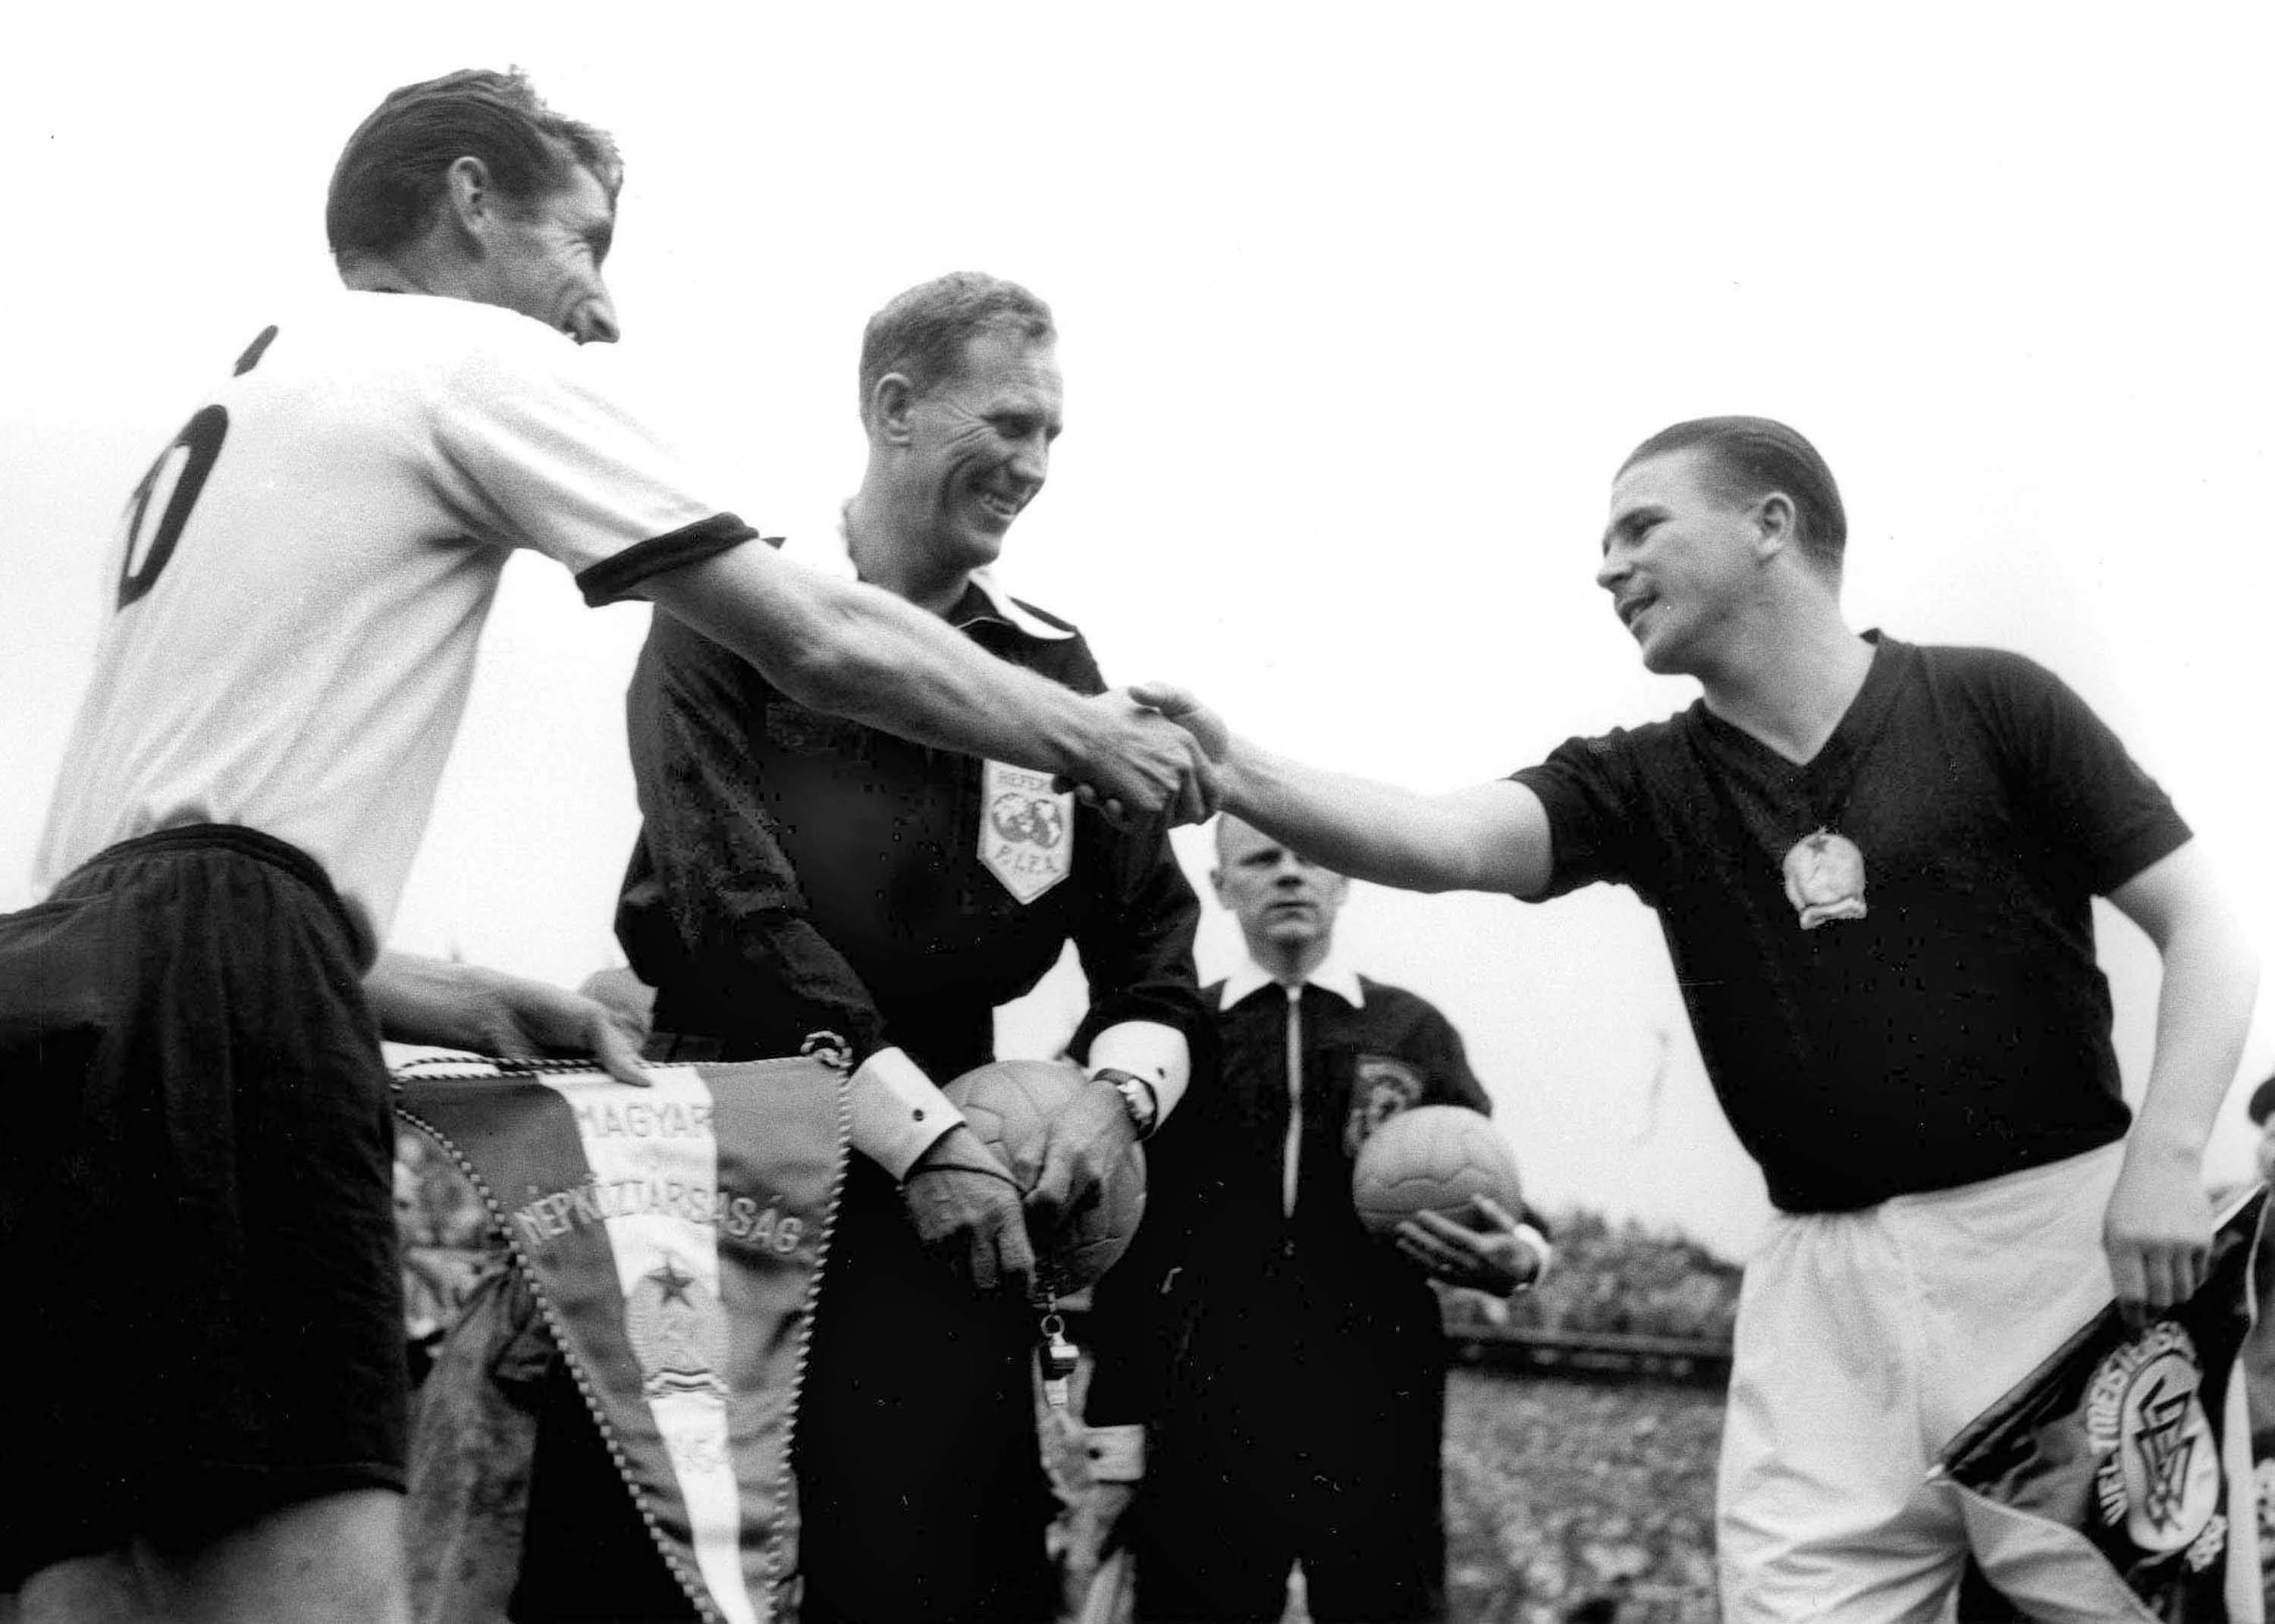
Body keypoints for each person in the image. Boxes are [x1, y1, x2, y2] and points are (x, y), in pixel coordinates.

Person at [0, 71, 1210, 1624]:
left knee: (106, 1580)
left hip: (65, 988)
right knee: (323, 1588)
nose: (605, 311)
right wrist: (1089, 736)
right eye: (585, 243)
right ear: (469, 202)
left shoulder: (243, 399)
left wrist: (436, 991)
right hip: (377, 1040)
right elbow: (818, 642)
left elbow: (161, 848)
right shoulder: (463, 354)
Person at [1134, 417, 2258, 1623]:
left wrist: (2168, 1154)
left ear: (1770, 524)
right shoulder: (1644, 779)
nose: (1605, 567)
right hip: (1817, 1295)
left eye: (1640, 526)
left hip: (2055, 1258)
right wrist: (1235, 770)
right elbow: (1445, 839)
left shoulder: (1990, 701)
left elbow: (2208, 924)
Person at [443, 270, 1209, 1624]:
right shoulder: (730, 610)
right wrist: (924, 1138)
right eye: (1008, 424)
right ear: (895, 409)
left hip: (957, 1208)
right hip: (720, 1144)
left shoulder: (1054, 673)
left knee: (932, 1578)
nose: (1033, 466)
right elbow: (735, 916)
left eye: (1051, 435)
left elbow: (1154, 946)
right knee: (646, 1579)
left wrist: (1115, 1099)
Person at [1077, 816, 1547, 1624]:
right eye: (1261, 859)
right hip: (1204, 1402)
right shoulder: (1174, 1036)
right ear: (1221, 888)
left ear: (1344, 880)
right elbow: (1124, 1238)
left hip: (1377, 1400)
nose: (1289, 874)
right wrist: (1113, 1436)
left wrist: (1523, 1257)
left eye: (1310, 858)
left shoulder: (1411, 1031)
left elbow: (1493, 1193)